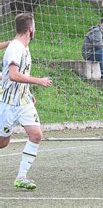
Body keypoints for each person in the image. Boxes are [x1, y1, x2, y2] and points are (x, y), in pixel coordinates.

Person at [0, 13, 53, 190]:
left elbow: (21, 74)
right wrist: (40, 81)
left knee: (36, 135)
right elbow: (14, 75)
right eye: (35, 26)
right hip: (8, 104)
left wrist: (28, 92)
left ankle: (21, 177)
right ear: (30, 28)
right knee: (3, 142)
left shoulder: (24, 47)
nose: (35, 29)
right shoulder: (15, 48)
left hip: (23, 102)